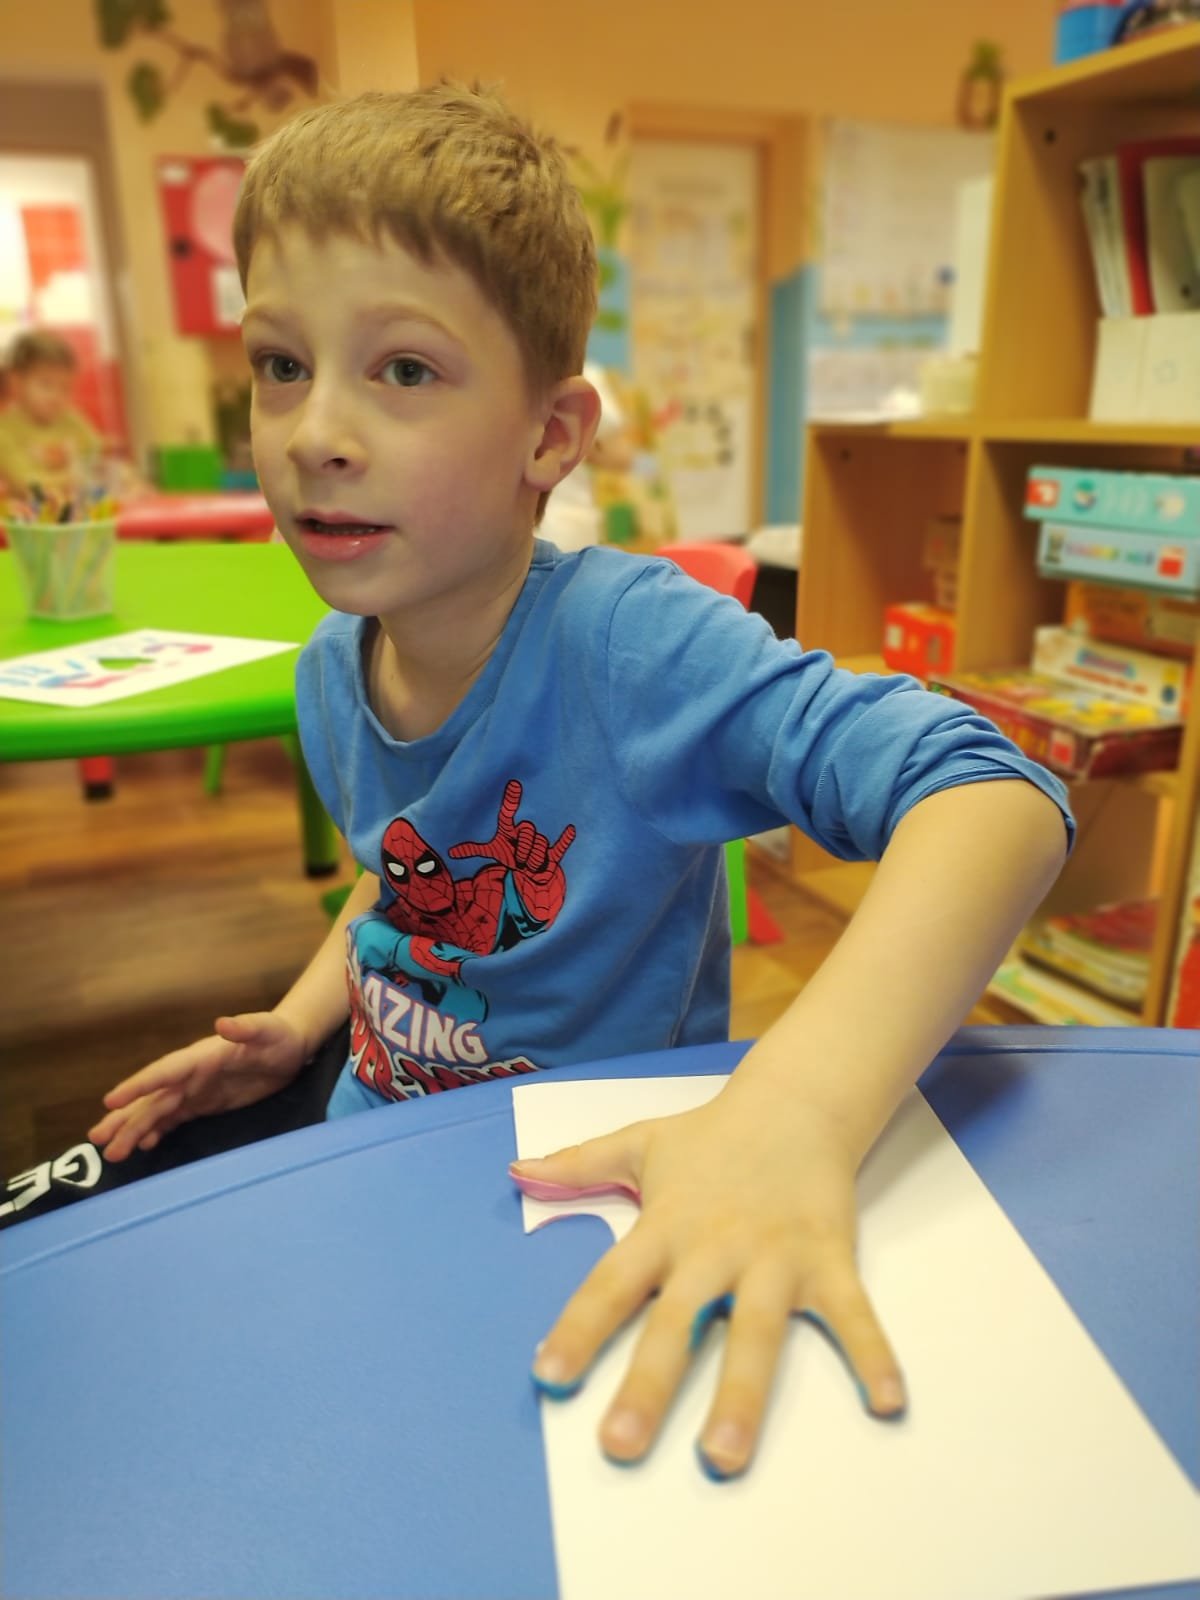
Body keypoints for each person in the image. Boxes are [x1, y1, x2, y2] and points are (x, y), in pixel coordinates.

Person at [30, 85, 1073, 1480]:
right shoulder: (334, 667)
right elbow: (396, 875)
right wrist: (300, 1022)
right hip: (380, 1156)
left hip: (593, 1193)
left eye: (405, 370)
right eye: (281, 364)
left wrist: (797, 1110)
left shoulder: (630, 647)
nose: (314, 430)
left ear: (549, 437)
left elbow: (996, 794)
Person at [0, 329, 102, 499]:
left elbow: (95, 451)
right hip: (28, 512)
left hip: (77, 505)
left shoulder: (71, 419)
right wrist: (74, 479)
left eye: (65, 388)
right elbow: (25, 482)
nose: (57, 396)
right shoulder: (5, 430)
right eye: (46, 385)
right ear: (16, 382)